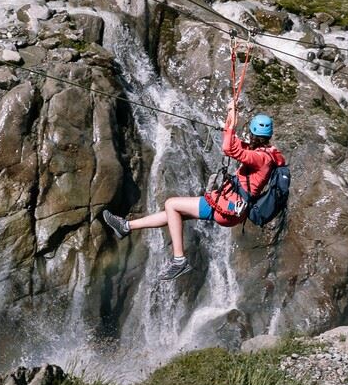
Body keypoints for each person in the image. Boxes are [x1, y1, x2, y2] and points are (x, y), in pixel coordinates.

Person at [104, 103, 283, 280]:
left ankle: (179, 260)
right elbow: (234, 142)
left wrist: (231, 123)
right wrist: (231, 114)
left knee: (171, 204)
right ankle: (126, 226)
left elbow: (229, 148)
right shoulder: (267, 153)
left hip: (227, 209)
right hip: (231, 208)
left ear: (252, 133)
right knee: (174, 213)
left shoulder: (260, 158)